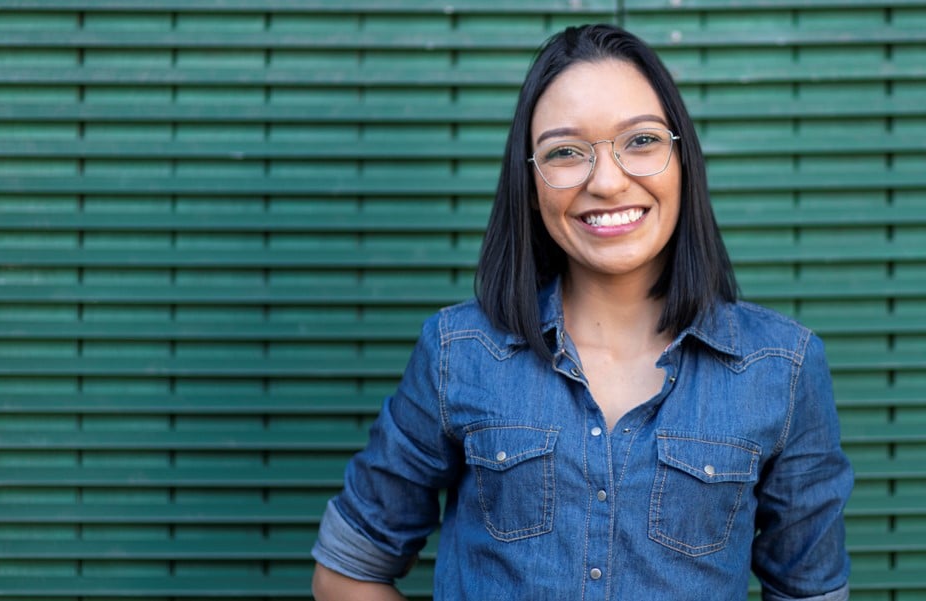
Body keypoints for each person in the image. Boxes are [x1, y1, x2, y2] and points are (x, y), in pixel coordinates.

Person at [311, 23, 852, 601]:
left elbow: (809, 592)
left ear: (681, 157)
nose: (608, 181)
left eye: (640, 141)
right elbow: (346, 571)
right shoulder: (458, 352)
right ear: (531, 180)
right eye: (566, 152)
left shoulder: (782, 368)